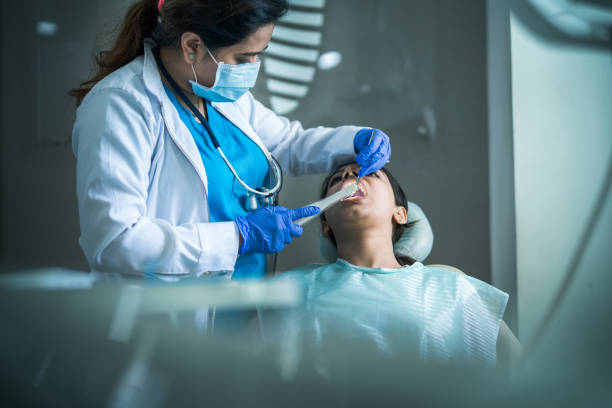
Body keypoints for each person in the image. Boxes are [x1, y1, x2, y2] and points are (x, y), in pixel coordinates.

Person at [70, 0, 391, 279]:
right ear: (192, 46)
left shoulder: (217, 93)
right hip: (169, 325)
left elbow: (287, 143)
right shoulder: (121, 103)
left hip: (247, 315)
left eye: (260, 54)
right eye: (243, 58)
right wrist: (238, 236)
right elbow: (114, 240)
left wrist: (354, 140)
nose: (253, 69)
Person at [279, 163, 522, 365]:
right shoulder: (292, 286)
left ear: (400, 214)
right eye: (336, 180)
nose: (348, 176)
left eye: (370, 173)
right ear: (325, 225)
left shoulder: (450, 286)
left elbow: (520, 375)